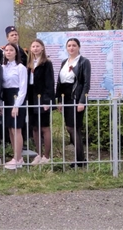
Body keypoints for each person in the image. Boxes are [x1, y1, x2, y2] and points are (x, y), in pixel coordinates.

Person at [55, 38, 91, 168]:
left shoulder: (84, 62)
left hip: (76, 97)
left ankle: (80, 159)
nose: (71, 48)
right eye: (69, 46)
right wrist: (59, 100)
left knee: (73, 127)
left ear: (79, 47)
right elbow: (59, 82)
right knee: (70, 127)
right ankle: (80, 159)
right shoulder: (64, 62)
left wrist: (82, 101)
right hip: (65, 97)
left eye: (74, 45)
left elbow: (86, 83)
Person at [27, 39, 55, 165]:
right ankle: (38, 154)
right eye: (33, 46)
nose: (35, 48)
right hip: (32, 96)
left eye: (38, 46)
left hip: (42, 96)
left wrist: (47, 100)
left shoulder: (46, 63)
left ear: (42, 48)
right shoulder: (29, 63)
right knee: (35, 127)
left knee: (44, 127)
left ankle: (46, 156)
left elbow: (49, 83)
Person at [1, 43, 28, 170]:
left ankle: (18, 158)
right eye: (6, 50)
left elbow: (23, 88)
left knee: (17, 129)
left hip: (16, 98)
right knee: (10, 129)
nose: (8, 52)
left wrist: (17, 105)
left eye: (11, 50)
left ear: (16, 52)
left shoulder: (20, 67)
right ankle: (15, 156)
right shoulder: (3, 67)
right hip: (6, 97)